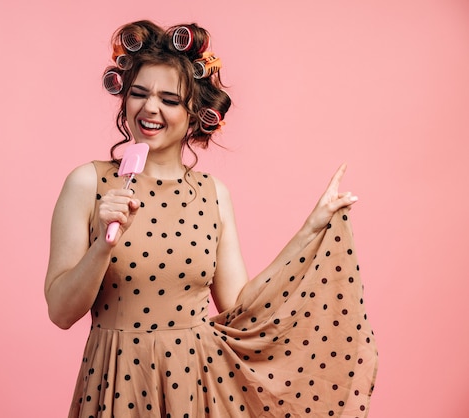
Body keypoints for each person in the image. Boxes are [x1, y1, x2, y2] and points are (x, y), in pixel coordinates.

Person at [44, 20, 377, 418]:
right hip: (116, 382)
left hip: (195, 383)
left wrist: (310, 230)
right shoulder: (88, 182)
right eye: (139, 94)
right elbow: (61, 313)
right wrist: (103, 245)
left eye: (169, 99)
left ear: (194, 113)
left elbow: (239, 306)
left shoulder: (213, 194)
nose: (150, 108)